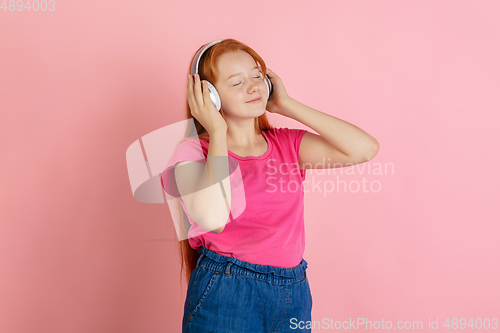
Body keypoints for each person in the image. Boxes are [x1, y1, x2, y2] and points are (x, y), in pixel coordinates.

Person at [161, 38, 379, 333]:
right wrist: (217, 131)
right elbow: (212, 219)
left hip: (293, 292)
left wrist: (287, 105)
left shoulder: (287, 144)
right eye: (237, 83)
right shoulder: (190, 153)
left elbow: (364, 148)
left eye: (257, 76)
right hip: (227, 291)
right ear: (209, 96)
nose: (253, 87)